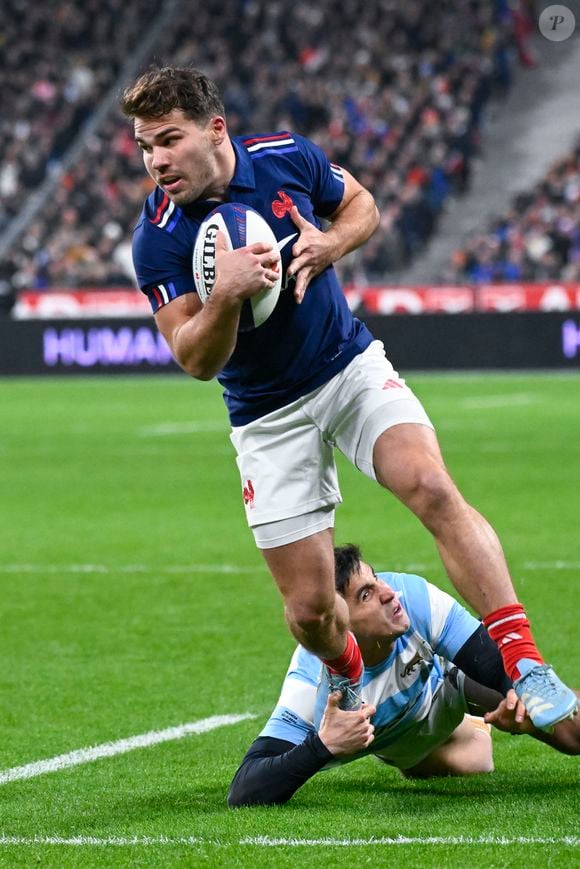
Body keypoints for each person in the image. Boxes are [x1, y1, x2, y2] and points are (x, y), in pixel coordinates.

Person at [120, 65, 577, 730]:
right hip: (265, 414)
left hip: (346, 365)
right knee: (309, 609)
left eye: (167, 140)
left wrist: (330, 241)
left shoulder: (285, 157)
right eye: (143, 147)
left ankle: (528, 663)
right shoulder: (157, 235)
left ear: (215, 129)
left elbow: (362, 205)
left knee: (431, 485)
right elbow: (194, 358)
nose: (155, 160)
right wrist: (225, 294)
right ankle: (347, 674)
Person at [227, 545, 580, 807]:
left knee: (567, 729)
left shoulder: (414, 597)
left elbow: (497, 667)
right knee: (475, 762)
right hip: (398, 740)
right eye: (367, 595)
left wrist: (516, 694)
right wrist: (323, 745)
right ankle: (469, 730)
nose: (389, 593)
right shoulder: (312, 686)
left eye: (376, 578)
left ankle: (477, 713)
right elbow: (243, 791)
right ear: (339, 621)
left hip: (447, 679)